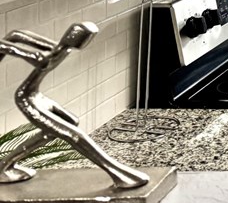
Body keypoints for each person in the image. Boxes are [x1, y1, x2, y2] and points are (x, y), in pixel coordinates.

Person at [0, 21, 149, 189]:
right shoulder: (42, 58)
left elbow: (16, 34)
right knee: (73, 134)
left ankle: (5, 165)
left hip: (37, 96)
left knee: (70, 122)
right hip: (26, 99)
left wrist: (11, 42)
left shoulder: (59, 49)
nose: (83, 42)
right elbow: (15, 38)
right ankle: (119, 174)